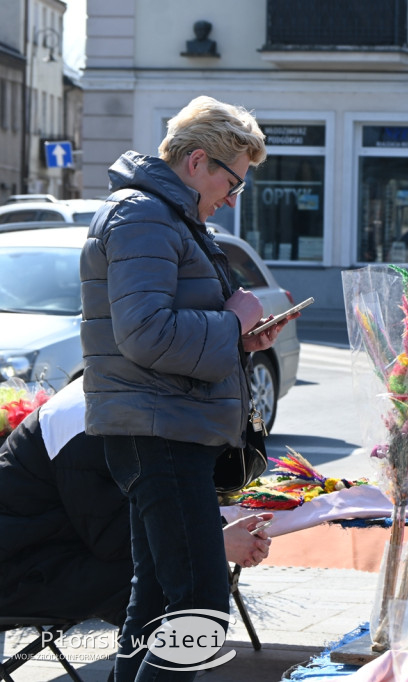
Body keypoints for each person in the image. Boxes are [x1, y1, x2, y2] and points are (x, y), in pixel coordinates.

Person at [79, 96, 287, 680]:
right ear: (198, 161)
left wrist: (239, 341)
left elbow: (154, 330)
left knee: (154, 604)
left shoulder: (162, 215)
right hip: (159, 431)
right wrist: (232, 323)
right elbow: (145, 333)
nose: (232, 199)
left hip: (162, 426)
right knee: (199, 608)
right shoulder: (145, 215)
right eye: (234, 183)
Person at [0, 378, 273, 624]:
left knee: (171, 571)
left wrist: (216, 528)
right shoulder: (87, 419)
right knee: (160, 578)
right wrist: (216, 542)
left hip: (46, 551)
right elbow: (115, 539)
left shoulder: (119, 392)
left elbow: (155, 501)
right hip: (16, 573)